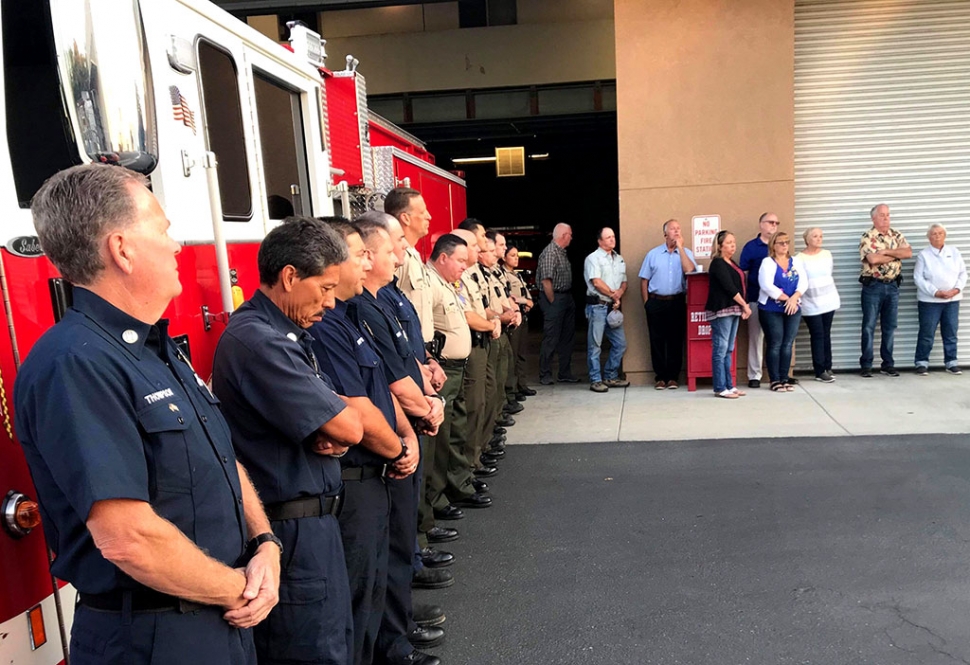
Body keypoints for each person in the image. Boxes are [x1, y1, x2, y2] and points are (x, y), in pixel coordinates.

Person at [15, 164, 278, 665]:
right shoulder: (77, 364)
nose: (177, 245)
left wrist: (263, 541)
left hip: (214, 618)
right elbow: (127, 537)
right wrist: (240, 589)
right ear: (122, 249)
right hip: (153, 639)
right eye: (163, 228)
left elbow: (219, 460)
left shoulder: (155, 347)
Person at [212, 217, 363, 665]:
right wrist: (334, 422)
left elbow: (338, 419)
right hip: (291, 530)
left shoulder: (284, 333)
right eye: (324, 289)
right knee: (311, 651)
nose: (331, 304)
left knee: (334, 641)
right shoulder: (261, 342)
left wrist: (333, 419)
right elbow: (350, 427)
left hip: (312, 523)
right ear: (290, 276)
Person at [309, 219, 424, 665]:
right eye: (358, 254)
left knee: (378, 578)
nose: (368, 262)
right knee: (357, 594)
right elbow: (355, 408)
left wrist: (408, 434)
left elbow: (381, 386)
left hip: (381, 465)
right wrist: (398, 449)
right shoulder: (325, 327)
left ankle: (391, 645)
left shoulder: (352, 315)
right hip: (357, 475)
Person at [638, 219, 697, 390]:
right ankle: (660, 377)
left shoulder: (685, 253)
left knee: (675, 340)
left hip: (677, 301)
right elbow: (644, 280)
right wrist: (646, 303)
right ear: (665, 234)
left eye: (679, 228)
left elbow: (690, 271)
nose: (677, 232)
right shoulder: (653, 254)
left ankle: (673, 377)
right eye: (673, 229)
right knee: (657, 340)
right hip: (656, 301)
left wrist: (680, 249)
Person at [859, 203, 912, 377]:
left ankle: (887, 364)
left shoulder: (897, 234)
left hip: (893, 285)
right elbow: (873, 259)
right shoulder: (867, 236)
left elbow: (908, 253)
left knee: (890, 326)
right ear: (873, 218)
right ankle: (866, 365)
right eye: (882, 215)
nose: (886, 218)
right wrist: (896, 253)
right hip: (873, 286)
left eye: (888, 215)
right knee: (869, 326)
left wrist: (887, 251)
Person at [914, 223, 966, 376]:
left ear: (945, 235)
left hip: (952, 300)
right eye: (934, 234)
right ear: (929, 237)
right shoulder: (923, 255)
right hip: (930, 302)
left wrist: (956, 290)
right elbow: (918, 278)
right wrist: (936, 292)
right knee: (927, 333)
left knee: (950, 331)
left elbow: (963, 273)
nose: (937, 236)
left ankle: (951, 362)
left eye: (940, 233)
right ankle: (921, 363)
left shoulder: (954, 252)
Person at [704, 231, 751, 398]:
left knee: (729, 349)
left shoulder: (732, 263)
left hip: (733, 310)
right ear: (720, 246)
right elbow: (729, 287)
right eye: (729, 242)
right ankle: (720, 387)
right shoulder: (717, 263)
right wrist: (745, 305)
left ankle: (730, 385)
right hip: (722, 310)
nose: (733, 245)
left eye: (734, 242)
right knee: (720, 348)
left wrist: (742, 306)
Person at [583, 227, 629, 393]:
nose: (612, 239)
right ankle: (595, 379)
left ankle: (610, 375)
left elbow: (624, 281)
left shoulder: (619, 259)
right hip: (598, 306)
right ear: (600, 241)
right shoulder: (593, 259)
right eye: (608, 237)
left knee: (620, 344)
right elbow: (596, 282)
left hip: (612, 307)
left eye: (613, 236)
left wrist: (619, 294)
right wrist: (613, 295)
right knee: (595, 345)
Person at [758, 231, 805, 392]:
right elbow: (766, 285)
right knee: (775, 343)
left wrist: (794, 298)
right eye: (781, 242)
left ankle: (785, 378)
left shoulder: (796, 261)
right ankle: (775, 379)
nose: (785, 245)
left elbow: (804, 282)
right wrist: (787, 298)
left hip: (793, 307)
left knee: (787, 344)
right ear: (773, 245)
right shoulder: (768, 262)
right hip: (772, 309)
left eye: (787, 242)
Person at [738, 212, 780, 388]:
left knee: (777, 338)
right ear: (761, 224)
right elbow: (743, 275)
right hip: (755, 298)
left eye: (777, 223)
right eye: (770, 222)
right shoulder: (751, 247)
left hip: (777, 301)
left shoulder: (779, 246)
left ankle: (778, 374)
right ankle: (754, 375)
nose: (774, 225)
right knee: (756, 338)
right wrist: (745, 301)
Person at [796, 227, 841, 382]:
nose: (818, 239)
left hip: (828, 300)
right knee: (817, 334)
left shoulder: (827, 254)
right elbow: (800, 280)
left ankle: (828, 366)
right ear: (807, 239)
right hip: (810, 302)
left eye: (821, 236)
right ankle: (819, 370)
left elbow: (828, 272)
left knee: (826, 333)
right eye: (815, 236)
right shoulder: (799, 258)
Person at [536, 223, 578, 384]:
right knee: (551, 337)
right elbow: (546, 281)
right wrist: (553, 302)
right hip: (555, 298)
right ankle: (545, 373)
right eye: (570, 235)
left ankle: (565, 372)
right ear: (563, 236)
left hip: (566, 297)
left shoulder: (561, 252)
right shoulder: (550, 253)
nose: (571, 238)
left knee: (567, 337)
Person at [502, 243, 536, 400]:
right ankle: (512, 390)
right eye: (512, 256)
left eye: (517, 256)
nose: (516, 259)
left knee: (522, 353)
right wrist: (525, 301)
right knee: (513, 354)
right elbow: (511, 297)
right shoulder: (503, 275)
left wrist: (527, 303)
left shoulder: (517, 274)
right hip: (513, 318)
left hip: (523, 315)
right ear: (504, 257)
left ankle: (522, 385)